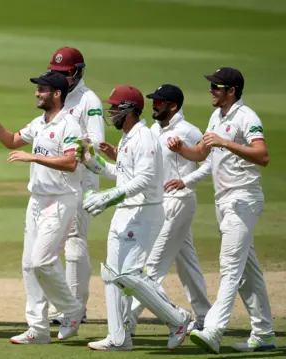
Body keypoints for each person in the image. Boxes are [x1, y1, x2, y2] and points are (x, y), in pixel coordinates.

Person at [168, 67, 277, 353]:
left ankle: (214, 330)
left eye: (216, 87)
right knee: (247, 270)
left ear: (232, 91)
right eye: (211, 86)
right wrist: (181, 149)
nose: (211, 91)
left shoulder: (246, 117)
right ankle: (264, 333)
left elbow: (262, 155)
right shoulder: (216, 116)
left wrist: (226, 142)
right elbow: (201, 154)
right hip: (223, 201)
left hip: (244, 199)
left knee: (230, 267)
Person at [77, 85, 191, 351]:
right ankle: (119, 337)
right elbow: (122, 173)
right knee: (111, 275)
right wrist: (91, 162)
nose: (112, 112)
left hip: (145, 212)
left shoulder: (145, 138)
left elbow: (146, 179)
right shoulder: (128, 138)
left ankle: (177, 320)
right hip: (126, 210)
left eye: (116, 108)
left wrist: (108, 196)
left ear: (129, 110)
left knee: (128, 276)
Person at [0, 71, 85, 344]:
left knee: (42, 261)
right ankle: (37, 329)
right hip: (37, 200)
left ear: (57, 94)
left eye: (42, 89)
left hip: (60, 200)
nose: (37, 93)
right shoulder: (39, 123)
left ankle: (72, 310)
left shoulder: (69, 125)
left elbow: (72, 162)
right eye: (37, 89)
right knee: (29, 265)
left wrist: (34, 157)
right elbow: (12, 141)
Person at [99, 84, 212, 335]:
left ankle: (127, 323)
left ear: (172, 106)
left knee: (151, 268)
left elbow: (210, 163)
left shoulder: (188, 131)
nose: (153, 106)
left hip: (179, 200)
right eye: (152, 101)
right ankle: (205, 316)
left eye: (159, 102)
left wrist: (186, 180)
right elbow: (146, 165)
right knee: (186, 262)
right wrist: (117, 154)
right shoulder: (150, 131)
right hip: (160, 201)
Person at [46, 47, 104, 324]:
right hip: (59, 179)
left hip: (82, 178)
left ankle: (72, 309)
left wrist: (70, 150)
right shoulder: (58, 95)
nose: (60, 78)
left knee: (73, 240)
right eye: (55, 73)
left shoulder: (88, 100)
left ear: (78, 72)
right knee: (59, 242)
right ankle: (74, 305)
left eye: (65, 74)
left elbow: (94, 140)